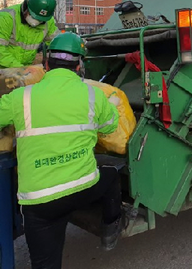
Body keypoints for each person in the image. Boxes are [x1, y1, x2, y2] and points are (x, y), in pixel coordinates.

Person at [0, 32, 125, 269]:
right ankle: (111, 228)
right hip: (82, 187)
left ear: (46, 64)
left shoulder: (21, 98)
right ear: (79, 65)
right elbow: (110, 126)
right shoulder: (93, 95)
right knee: (110, 176)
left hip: (40, 201)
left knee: (45, 263)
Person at [0, 0, 60, 68]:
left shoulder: (48, 22)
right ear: (27, 7)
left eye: (40, 20)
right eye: (33, 16)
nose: (35, 22)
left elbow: (57, 43)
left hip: (25, 70)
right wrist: (21, 69)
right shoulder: (6, 18)